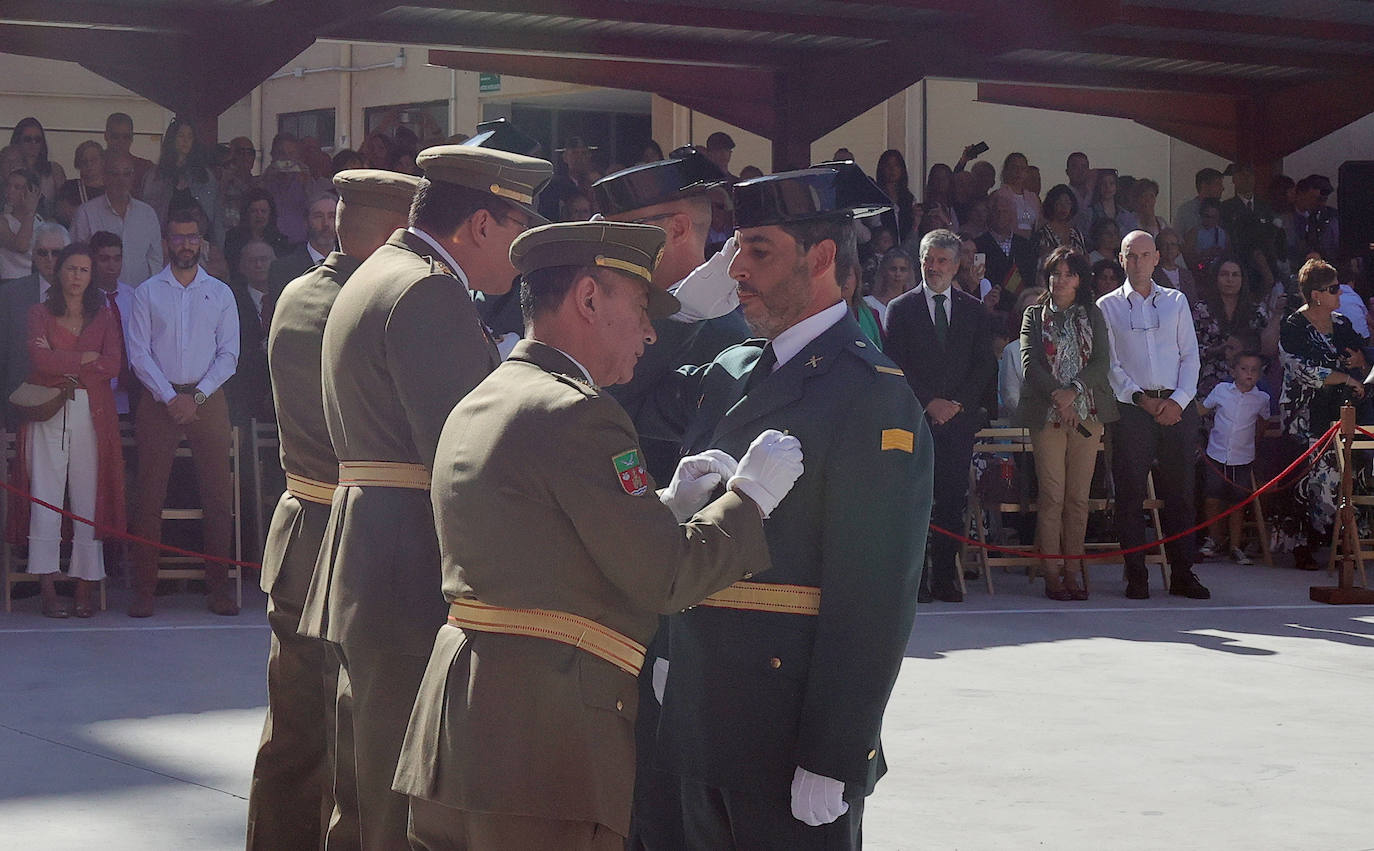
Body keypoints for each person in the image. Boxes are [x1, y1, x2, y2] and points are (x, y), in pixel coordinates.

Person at [393, 220, 794, 849]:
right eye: (639, 308)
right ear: (587, 300)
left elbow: (542, 542)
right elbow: (666, 576)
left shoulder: (487, 398)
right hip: (544, 747)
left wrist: (663, 505)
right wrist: (749, 501)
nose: (650, 332)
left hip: (458, 734)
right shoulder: (580, 413)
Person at [638, 161, 931, 849]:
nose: (738, 269)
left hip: (786, 727)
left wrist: (836, 750)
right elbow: (629, 382)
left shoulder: (871, 393)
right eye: (735, 251)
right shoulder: (734, 369)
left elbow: (877, 593)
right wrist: (684, 305)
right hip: (696, 712)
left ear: (823, 256)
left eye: (758, 251)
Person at [298, 144, 551, 851]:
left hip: (368, 560)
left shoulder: (382, 269)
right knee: (397, 803)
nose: (521, 252)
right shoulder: (430, 290)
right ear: (478, 223)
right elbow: (463, 454)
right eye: (516, 230)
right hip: (407, 571)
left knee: (363, 792)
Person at [245, 169, 419, 851]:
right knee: (355, 747)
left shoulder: (295, 294)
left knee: (292, 738)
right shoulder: (380, 306)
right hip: (356, 541)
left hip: (299, 529)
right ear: (390, 232)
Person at [125, 209, 241, 617]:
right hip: (159, 401)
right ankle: (143, 589)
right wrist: (169, 397)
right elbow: (138, 354)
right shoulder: (147, 292)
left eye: (192, 237)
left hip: (207, 400)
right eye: (178, 238)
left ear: (202, 242)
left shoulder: (221, 293)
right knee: (149, 495)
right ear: (166, 242)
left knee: (217, 495)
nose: (186, 245)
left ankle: (219, 588)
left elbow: (229, 356)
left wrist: (198, 397)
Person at [8, 242, 125, 618]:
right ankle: (46, 587)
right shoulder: (39, 313)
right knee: (47, 494)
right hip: (47, 413)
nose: (76, 276)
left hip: (92, 414)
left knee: (87, 497)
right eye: (71, 269)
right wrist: (82, 361)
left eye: (84, 270)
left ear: (92, 277)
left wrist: (64, 363)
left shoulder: (104, 315)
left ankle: (84, 587)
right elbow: (39, 359)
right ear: (59, 272)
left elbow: (113, 364)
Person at [1096, 230, 1209, 599]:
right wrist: (1140, 398)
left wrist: (1179, 400)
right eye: (1131, 255)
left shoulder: (1176, 301)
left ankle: (1183, 573)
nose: (1138, 262)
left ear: (1158, 258)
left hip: (1176, 406)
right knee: (1130, 494)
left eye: (1145, 255)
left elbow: (1190, 355)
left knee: (1180, 493)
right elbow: (1110, 364)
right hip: (1133, 410)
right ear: (1121, 258)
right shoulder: (1106, 306)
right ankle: (1136, 575)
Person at [887, 228, 996, 603]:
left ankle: (945, 577)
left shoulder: (973, 310)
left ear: (956, 265)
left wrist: (956, 405)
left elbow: (983, 365)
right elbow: (897, 365)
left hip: (958, 421)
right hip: (916, 420)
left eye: (941, 260)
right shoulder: (900, 309)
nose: (933, 267)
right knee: (915, 500)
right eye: (927, 260)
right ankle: (916, 579)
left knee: (952, 500)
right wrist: (930, 403)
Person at [1017, 247, 1116, 600]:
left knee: (1078, 498)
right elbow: (1030, 364)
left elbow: (1101, 361)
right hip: (1047, 416)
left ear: (1080, 279)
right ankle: (1052, 572)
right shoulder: (1033, 314)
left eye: (1068, 274)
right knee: (1052, 497)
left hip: (1087, 413)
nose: (1060, 280)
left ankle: (1074, 569)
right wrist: (1059, 397)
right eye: (1055, 273)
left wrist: (1073, 391)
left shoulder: (1092, 313)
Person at [1278, 259, 1366, 571]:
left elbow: (1359, 357)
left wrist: (1356, 366)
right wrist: (1344, 376)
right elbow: (1301, 369)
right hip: (1304, 415)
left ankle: (1341, 543)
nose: (1339, 293)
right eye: (1332, 289)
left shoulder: (1342, 324)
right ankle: (1301, 546)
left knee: (1343, 476)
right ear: (1315, 294)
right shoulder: (1293, 326)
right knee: (1308, 478)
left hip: (1341, 412)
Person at [1197, 351, 1271, 564]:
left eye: (1254, 370)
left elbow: (1263, 421)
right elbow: (1202, 410)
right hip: (1216, 453)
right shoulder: (1221, 390)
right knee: (1212, 498)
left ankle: (1235, 546)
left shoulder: (1261, 398)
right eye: (1244, 369)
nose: (1249, 373)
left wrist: (1255, 441)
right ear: (1233, 371)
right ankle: (1213, 539)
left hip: (1243, 457)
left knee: (1238, 502)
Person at [1, 223, 70, 429]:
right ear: (33, 255)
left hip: (70, 405)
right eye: (42, 252)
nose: (49, 259)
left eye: (56, 252)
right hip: (21, 404)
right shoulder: (10, 295)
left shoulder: (86, 294)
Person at [71, 151, 164, 287]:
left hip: (139, 298)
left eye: (127, 174)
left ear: (133, 177)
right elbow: (76, 257)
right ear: (104, 177)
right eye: (114, 174)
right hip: (98, 298)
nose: (121, 180)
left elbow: (155, 260)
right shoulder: (86, 213)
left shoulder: (147, 214)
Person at [1192, 256, 1277, 399]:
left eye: (1235, 275)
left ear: (1243, 279)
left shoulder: (1256, 311)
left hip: (1248, 384)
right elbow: (1189, 349)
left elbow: (1268, 350)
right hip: (1210, 384)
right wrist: (1216, 350)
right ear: (1216, 278)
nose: (1230, 279)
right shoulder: (1200, 310)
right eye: (1224, 274)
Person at [141, 118, 222, 245]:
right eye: (181, 135)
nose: (185, 141)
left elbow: (215, 215)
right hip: (164, 243)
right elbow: (149, 214)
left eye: (190, 137)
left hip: (198, 242)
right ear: (172, 139)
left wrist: (217, 245)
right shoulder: (156, 175)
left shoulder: (205, 175)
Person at [86, 230, 137, 416]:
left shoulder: (133, 297)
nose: (112, 265)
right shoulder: (84, 300)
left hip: (133, 388)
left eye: (117, 259)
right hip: (98, 389)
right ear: (92, 260)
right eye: (104, 259)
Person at [267, 189, 338, 297]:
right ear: (306, 221)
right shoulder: (282, 269)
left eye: (332, 216)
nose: (326, 224)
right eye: (318, 216)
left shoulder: (352, 264)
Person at [975, 193, 1037, 299]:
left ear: (1013, 215)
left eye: (1005, 211)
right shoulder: (978, 245)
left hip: (1020, 305)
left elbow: (1030, 278)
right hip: (991, 306)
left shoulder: (1025, 245)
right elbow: (978, 280)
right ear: (990, 214)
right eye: (997, 211)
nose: (1001, 215)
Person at [224, 187, 292, 274]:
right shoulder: (233, 238)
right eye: (254, 211)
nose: (259, 215)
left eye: (263, 211)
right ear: (246, 213)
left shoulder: (280, 241)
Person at [9, 118, 66, 220]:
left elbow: (64, 210)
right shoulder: (8, 169)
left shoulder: (54, 170)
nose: (33, 144)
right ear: (17, 142)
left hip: (47, 229)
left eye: (37, 140)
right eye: (27, 139)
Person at [1, 167, 41, 283]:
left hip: (35, 282)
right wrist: (29, 213)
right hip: (10, 283)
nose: (10, 190)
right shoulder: (3, 221)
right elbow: (21, 246)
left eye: (17, 187)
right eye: (8, 185)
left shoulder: (42, 222)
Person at [990, 152, 1040, 241]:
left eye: (1022, 169)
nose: (1018, 172)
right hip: (1007, 243)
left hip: (1029, 245)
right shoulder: (999, 195)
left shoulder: (1033, 197)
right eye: (1014, 168)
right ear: (1006, 170)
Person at [103, 113, 154, 199]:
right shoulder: (94, 164)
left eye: (126, 137)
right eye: (115, 136)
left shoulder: (145, 168)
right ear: (106, 136)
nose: (121, 141)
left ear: (132, 138)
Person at [56, 141, 106, 224]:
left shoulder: (112, 188)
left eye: (93, 160)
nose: (89, 164)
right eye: (84, 161)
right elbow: (63, 215)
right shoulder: (69, 188)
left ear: (102, 161)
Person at [864, 248, 915, 330]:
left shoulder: (915, 306)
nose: (898, 274)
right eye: (893, 269)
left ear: (909, 273)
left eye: (903, 269)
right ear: (884, 271)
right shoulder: (868, 304)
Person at [874, 149, 917, 243]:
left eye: (896, 165)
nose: (892, 169)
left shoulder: (909, 198)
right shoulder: (875, 197)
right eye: (888, 165)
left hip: (906, 248)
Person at [1036, 183, 1086, 260]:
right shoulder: (1043, 232)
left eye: (1068, 203)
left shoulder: (1076, 233)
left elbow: (1085, 259)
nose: (1064, 207)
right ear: (1051, 204)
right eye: (1059, 203)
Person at [1174, 167, 1225, 236]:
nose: (1222, 188)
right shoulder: (1186, 210)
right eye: (1218, 184)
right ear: (1204, 185)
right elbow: (1178, 238)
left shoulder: (1225, 209)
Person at [1151, 228, 1197, 303]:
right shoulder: (1152, 274)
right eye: (1164, 244)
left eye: (1173, 244)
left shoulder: (1187, 275)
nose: (1169, 248)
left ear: (1178, 249)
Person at [1183, 197, 1229, 272]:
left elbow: (1228, 257)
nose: (1210, 220)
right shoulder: (1194, 233)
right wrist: (1204, 254)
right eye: (1207, 216)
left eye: (1214, 217)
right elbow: (1187, 259)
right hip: (1199, 272)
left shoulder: (1223, 234)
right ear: (1201, 215)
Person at [1087, 169, 1133, 234]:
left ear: (1116, 187)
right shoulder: (1089, 213)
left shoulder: (1126, 215)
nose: (1107, 187)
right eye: (1103, 183)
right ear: (1098, 186)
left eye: (1111, 183)